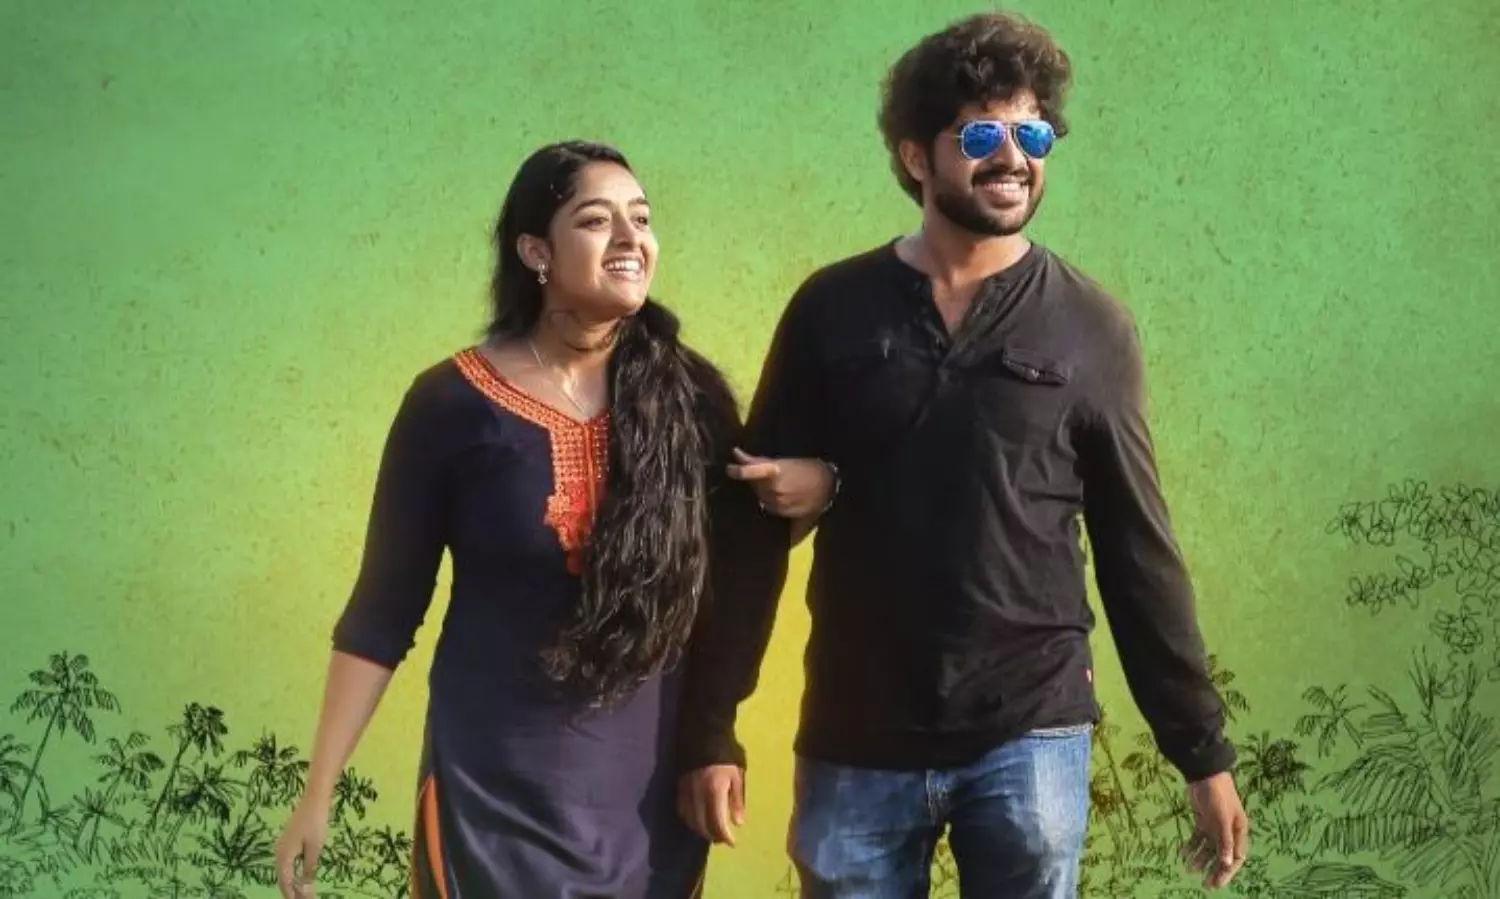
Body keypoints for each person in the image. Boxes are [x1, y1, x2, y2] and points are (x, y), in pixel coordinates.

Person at [675, 12, 1250, 898]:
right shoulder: (833, 309)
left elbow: (1139, 551)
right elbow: (752, 529)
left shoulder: (1090, 326)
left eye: (1033, 134)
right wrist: (710, 724)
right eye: (982, 135)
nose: (1013, 157)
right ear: (916, 156)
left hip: (1031, 734)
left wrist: (1201, 752)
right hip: (856, 734)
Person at [273, 140, 779, 898]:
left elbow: (737, 583)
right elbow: (382, 613)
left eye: (641, 219)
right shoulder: (449, 404)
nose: (630, 239)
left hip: (643, 807)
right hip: (489, 795)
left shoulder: (690, 400)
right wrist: (318, 792)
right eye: (597, 221)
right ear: (536, 251)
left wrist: (714, 739)